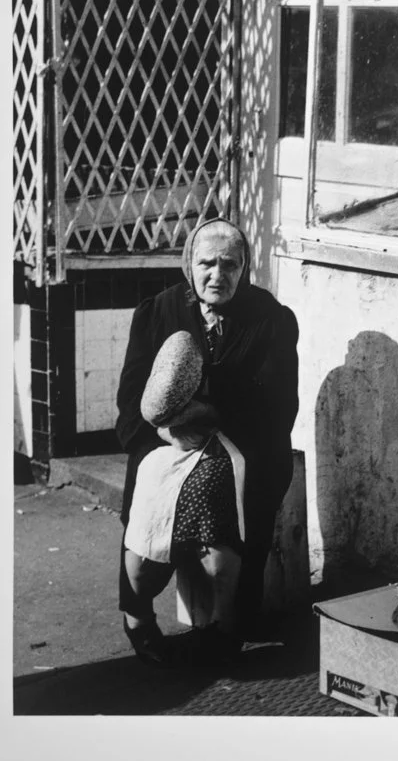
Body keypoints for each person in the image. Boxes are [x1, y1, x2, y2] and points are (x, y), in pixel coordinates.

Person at [116, 217, 299, 667]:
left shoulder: (271, 320)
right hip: (166, 440)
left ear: (245, 268)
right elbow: (131, 402)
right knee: (150, 506)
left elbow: (278, 408)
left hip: (242, 440)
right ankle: (137, 613)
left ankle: (225, 623)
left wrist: (211, 415)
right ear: (188, 266)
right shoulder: (157, 312)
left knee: (226, 504)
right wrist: (165, 431)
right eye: (206, 264)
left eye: (230, 265)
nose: (218, 275)